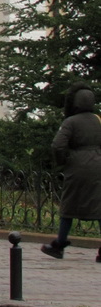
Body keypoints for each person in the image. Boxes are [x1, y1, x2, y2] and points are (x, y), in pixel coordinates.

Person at [41, 81, 101, 262]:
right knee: (100, 207)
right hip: (98, 165)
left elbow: (58, 145)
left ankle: (59, 244)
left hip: (76, 166)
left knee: (68, 206)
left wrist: (64, 161)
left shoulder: (70, 122)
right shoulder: (99, 120)